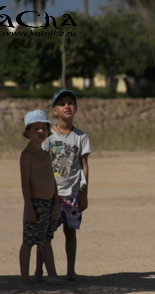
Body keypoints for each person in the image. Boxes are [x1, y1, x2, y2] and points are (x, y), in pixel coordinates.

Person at [37, 89, 91, 281]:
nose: (67, 106)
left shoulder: (81, 137)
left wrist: (84, 193)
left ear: (75, 108)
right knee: (45, 234)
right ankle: (39, 271)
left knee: (71, 232)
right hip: (51, 194)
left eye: (70, 102)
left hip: (73, 193)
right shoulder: (48, 137)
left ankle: (71, 271)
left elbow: (84, 166)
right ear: (54, 111)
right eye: (62, 103)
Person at [19, 110, 61, 288]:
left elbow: (53, 179)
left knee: (46, 240)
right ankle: (24, 279)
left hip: (49, 203)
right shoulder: (27, 155)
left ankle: (52, 275)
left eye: (44, 128)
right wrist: (29, 208)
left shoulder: (45, 153)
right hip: (35, 204)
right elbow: (25, 183)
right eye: (36, 128)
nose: (40, 131)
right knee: (29, 242)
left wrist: (56, 203)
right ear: (28, 132)